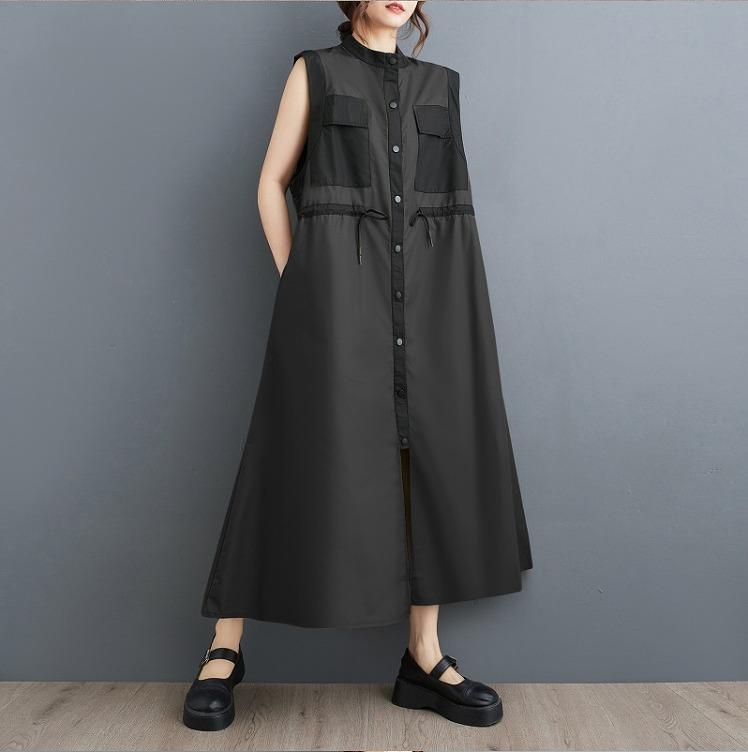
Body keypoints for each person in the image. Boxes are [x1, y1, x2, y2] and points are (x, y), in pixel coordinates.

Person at [182, 0, 532, 732]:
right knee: (288, 450)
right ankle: (224, 651)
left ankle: (423, 657)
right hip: (336, 301)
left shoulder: (443, 85)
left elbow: (448, 206)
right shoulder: (315, 72)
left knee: (431, 456)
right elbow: (270, 182)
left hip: (437, 303)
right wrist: (301, 283)